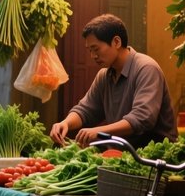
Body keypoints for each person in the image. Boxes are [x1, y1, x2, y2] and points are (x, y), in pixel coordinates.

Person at [50, 13, 177, 149]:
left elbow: (142, 118)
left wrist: (100, 131)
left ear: (116, 42)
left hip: (154, 157)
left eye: (96, 49)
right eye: (90, 50)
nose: (93, 56)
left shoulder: (146, 68)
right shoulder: (104, 75)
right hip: (121, 155)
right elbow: (85, 110)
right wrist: (65, 123)